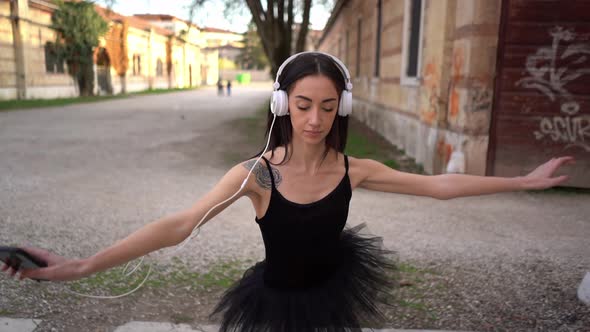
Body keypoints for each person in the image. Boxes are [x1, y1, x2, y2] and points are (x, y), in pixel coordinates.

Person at [2, 52, 575, 332]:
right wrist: (77, 266)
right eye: (302, 105)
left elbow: (440, 186)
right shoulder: (255, 174)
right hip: (273, 302)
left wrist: (523, 180)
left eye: (328, 106)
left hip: (333, 288)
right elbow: (179, 225)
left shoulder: (357, 169)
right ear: (283, 104)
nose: (315, 119)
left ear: (341, 109)